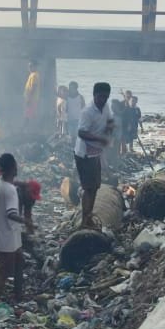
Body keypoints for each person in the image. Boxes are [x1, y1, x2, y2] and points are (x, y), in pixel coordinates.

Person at [74, 82, 115, 228]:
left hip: (96, 153)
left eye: (106, 97)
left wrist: (109, 132)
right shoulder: (87, 112)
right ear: (94, 95)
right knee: (88, 187)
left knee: (96, 186)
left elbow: (110, 120)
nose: (103, 100)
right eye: (100, 97)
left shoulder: (106, 107)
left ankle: (89, 216)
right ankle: (85, 220)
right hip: (84, 154)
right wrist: (99, 138)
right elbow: (81, 132)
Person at [0, 153, 25, 303]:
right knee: (3, 273)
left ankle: (18, 296)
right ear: (12, 168)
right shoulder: (9, 189)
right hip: (7, 237)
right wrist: (28, 222)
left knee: (19, 261)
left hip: (2, 234)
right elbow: (11, 214)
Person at [23, 60, 41, 125]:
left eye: (31, 66)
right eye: (29, 66)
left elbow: (33, 87)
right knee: (31, 114)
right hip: (32, 99)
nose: (29, 68)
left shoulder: (34, 75)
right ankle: (31, 128)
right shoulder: (32, 75)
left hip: (32, 99)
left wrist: (29, 99)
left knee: (29, 115)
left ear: (35, 67)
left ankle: (27, 128)